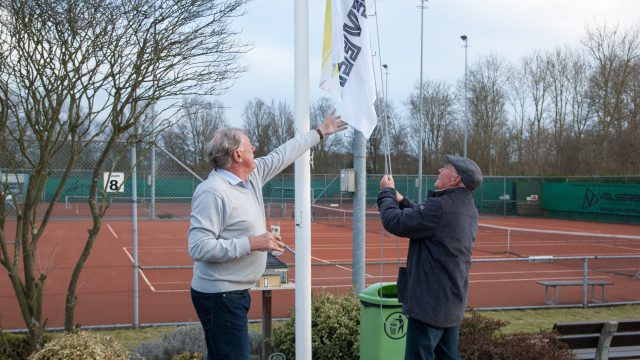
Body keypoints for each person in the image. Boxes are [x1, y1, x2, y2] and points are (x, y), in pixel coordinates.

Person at [188, 110, 347, 360]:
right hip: (219, 296)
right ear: (237, 154)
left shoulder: (252, 176)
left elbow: (283, 154)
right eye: (249, 145)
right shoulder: (212, 192)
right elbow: (199, 247)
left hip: (233, 294)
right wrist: (252, 243)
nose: (254, 147)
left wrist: (318, 133)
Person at [377, 154, 482, 360]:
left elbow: (395, 222)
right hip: (450, 304)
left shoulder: (440, 207)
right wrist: (402, 200)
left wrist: (386, 193)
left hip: (429, 307)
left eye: (445, 168)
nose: (439, 170)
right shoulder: (468, 209)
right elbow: (425, 220)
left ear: (455, 179)